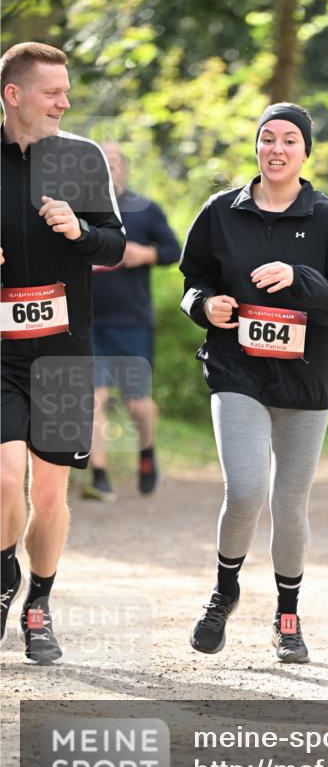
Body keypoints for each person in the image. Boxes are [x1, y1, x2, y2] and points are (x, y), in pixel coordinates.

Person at [180, 102, 328, 663]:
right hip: (237, 369)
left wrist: (300, 279)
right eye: (269, 138)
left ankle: (287, 613)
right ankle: (224, 591)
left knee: (289, 503)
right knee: (244, 490)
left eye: (291, 140)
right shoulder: (221, 212)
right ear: (257, 147)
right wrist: (204, 306)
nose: (278, 149)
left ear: (305, 152)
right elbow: (193, 279)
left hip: (306, 377)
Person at [0, 42, 125, 663]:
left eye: (67, 92)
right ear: (14, 95)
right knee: (3, 481)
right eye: (53, 92)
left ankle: (38, 604)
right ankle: (3, 576)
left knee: (48, 495)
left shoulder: (81, 159)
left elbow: (114, 247)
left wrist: (80, 230)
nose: (65, 102)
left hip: (63, 352)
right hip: (0, 352)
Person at [83, 143, 180, 502]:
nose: (108, 169)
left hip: (132, 322)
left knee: (137, 403)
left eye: (113, 163)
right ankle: (101, 474)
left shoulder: (145, 211)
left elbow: (175, 251)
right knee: (93, 399)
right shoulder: (77, 210)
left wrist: (146, 254)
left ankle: (147, 452)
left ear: (124, 169)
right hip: (89, 322)